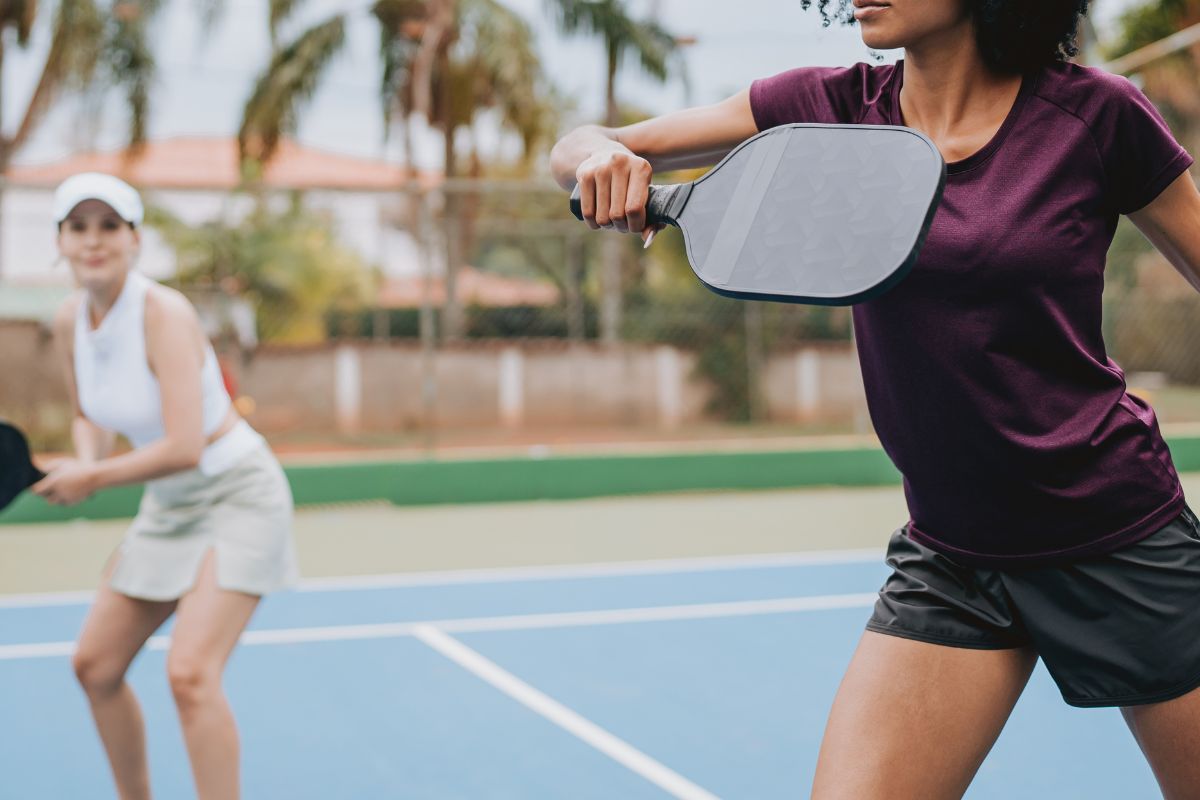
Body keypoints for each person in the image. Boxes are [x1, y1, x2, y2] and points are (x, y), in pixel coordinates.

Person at [550, 1, 1200, 798]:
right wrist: (595, 159)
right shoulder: (828, 110)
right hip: (954, 555)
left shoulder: (1096, 117)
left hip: (1118, 535)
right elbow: (582, 143)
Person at [33, 172, 299, 800]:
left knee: (190, 675)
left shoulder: (164, 313)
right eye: (79, 227)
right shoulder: (71, 318)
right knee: (94, 666)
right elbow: (90, 415)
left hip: (237, 492)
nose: (93, 241)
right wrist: (82, 463)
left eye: (109, 226)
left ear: (135, 240)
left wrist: (91, 477)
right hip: (171, 503)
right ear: (61, 241)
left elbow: (183, 446)